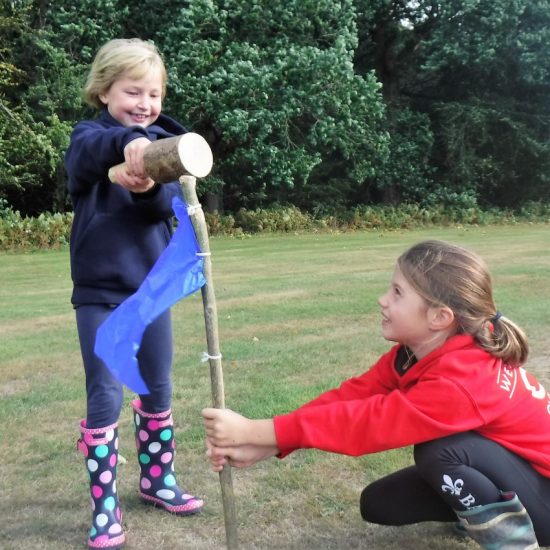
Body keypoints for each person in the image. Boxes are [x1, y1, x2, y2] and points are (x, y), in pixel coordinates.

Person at [203, 239, 550, 549]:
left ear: (440, 317)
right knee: (380, 504)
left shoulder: (463, 381)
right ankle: (477, 508)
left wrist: (254, 431)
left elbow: (369, 424)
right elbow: (356, 396)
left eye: (397, 293)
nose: (382, 300)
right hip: (517, 470)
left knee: (439, 451)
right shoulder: (419, 351)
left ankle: (514, 543)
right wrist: (271, 442)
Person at [65, 38, 203, 550]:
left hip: (149, 292)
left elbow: (164, 209)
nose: (144, 104)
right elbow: (85, 157)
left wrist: (148, 185)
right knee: (105, 393)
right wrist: (126, 147)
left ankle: (157, 480)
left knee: (156, 389)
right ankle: (105, 509)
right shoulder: (88, 137)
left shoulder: (169, 140)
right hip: (100, 294)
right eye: (132, 92)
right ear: (104, 92)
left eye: (153, 93)